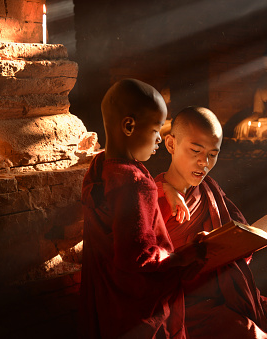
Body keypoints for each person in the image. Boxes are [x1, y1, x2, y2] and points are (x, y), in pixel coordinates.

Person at [155, 106, 267, 338]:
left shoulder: (210, 189)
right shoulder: (154, 196)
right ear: (171, 144)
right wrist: (193, 255)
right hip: (188, 305)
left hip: (230, 292)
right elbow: (148, 266)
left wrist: (253, 240)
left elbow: (236, 235)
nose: (204, 162)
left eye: (213, 154)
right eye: (195, 150)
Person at [80, 79, 205, 339]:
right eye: (157, 128)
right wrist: (185, 256)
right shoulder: (136, 183)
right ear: (129, 126)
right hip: (138, 309)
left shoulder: (99, 166)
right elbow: (138, 256)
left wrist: (162, 188)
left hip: (106, 298)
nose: (160, 137)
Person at [232, 54, 267, 140]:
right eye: (266, 67)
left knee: (265, 131)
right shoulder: (262, 87)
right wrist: (246, 121)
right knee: (245, 127)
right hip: (265, 121)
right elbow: (258, 111)